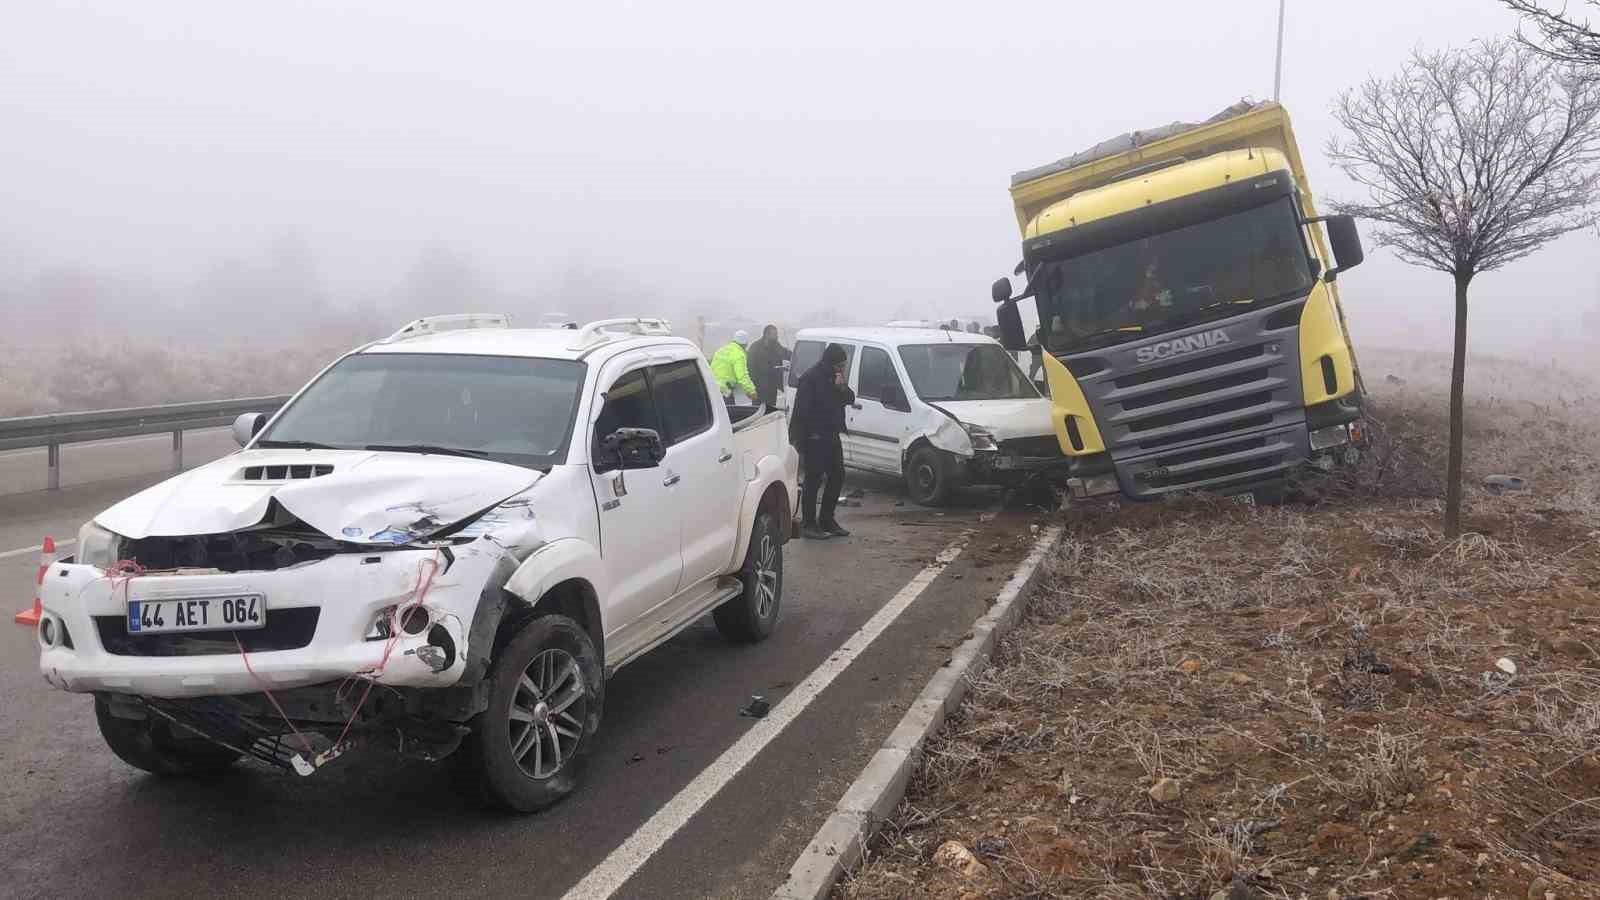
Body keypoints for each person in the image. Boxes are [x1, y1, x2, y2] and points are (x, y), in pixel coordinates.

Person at [788, 343, 853, 540]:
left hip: (832, 434)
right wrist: (802, 439)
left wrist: (841, 387)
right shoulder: (811, 378)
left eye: (843, 365)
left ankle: (827, 519)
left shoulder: (835, 378)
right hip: (814, 437)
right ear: (831, 362)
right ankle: (809, 523)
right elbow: (802, 411)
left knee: (837, 476)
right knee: (813, 479)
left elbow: (849, 398)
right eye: (840, 365)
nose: (842, 368)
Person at [744, 324, 792, 409]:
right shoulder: (755, 347)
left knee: (770, 411)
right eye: (774, 334)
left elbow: (785, 353)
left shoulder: (776, 345)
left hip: (772, 387)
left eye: (777, 334)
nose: (777, 336)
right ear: (767, 334)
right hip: (759, 387)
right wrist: (753, 385)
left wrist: (795, 356)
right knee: (758, 412)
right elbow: (749, 367)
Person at [710, 330, 758, 405]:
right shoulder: (739, 354)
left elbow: (712, 368)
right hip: (725, 391)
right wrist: (751, 391)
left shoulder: (721, 350)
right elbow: (742, 376)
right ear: (745, 343)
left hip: (711, 389)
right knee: (728, 414)